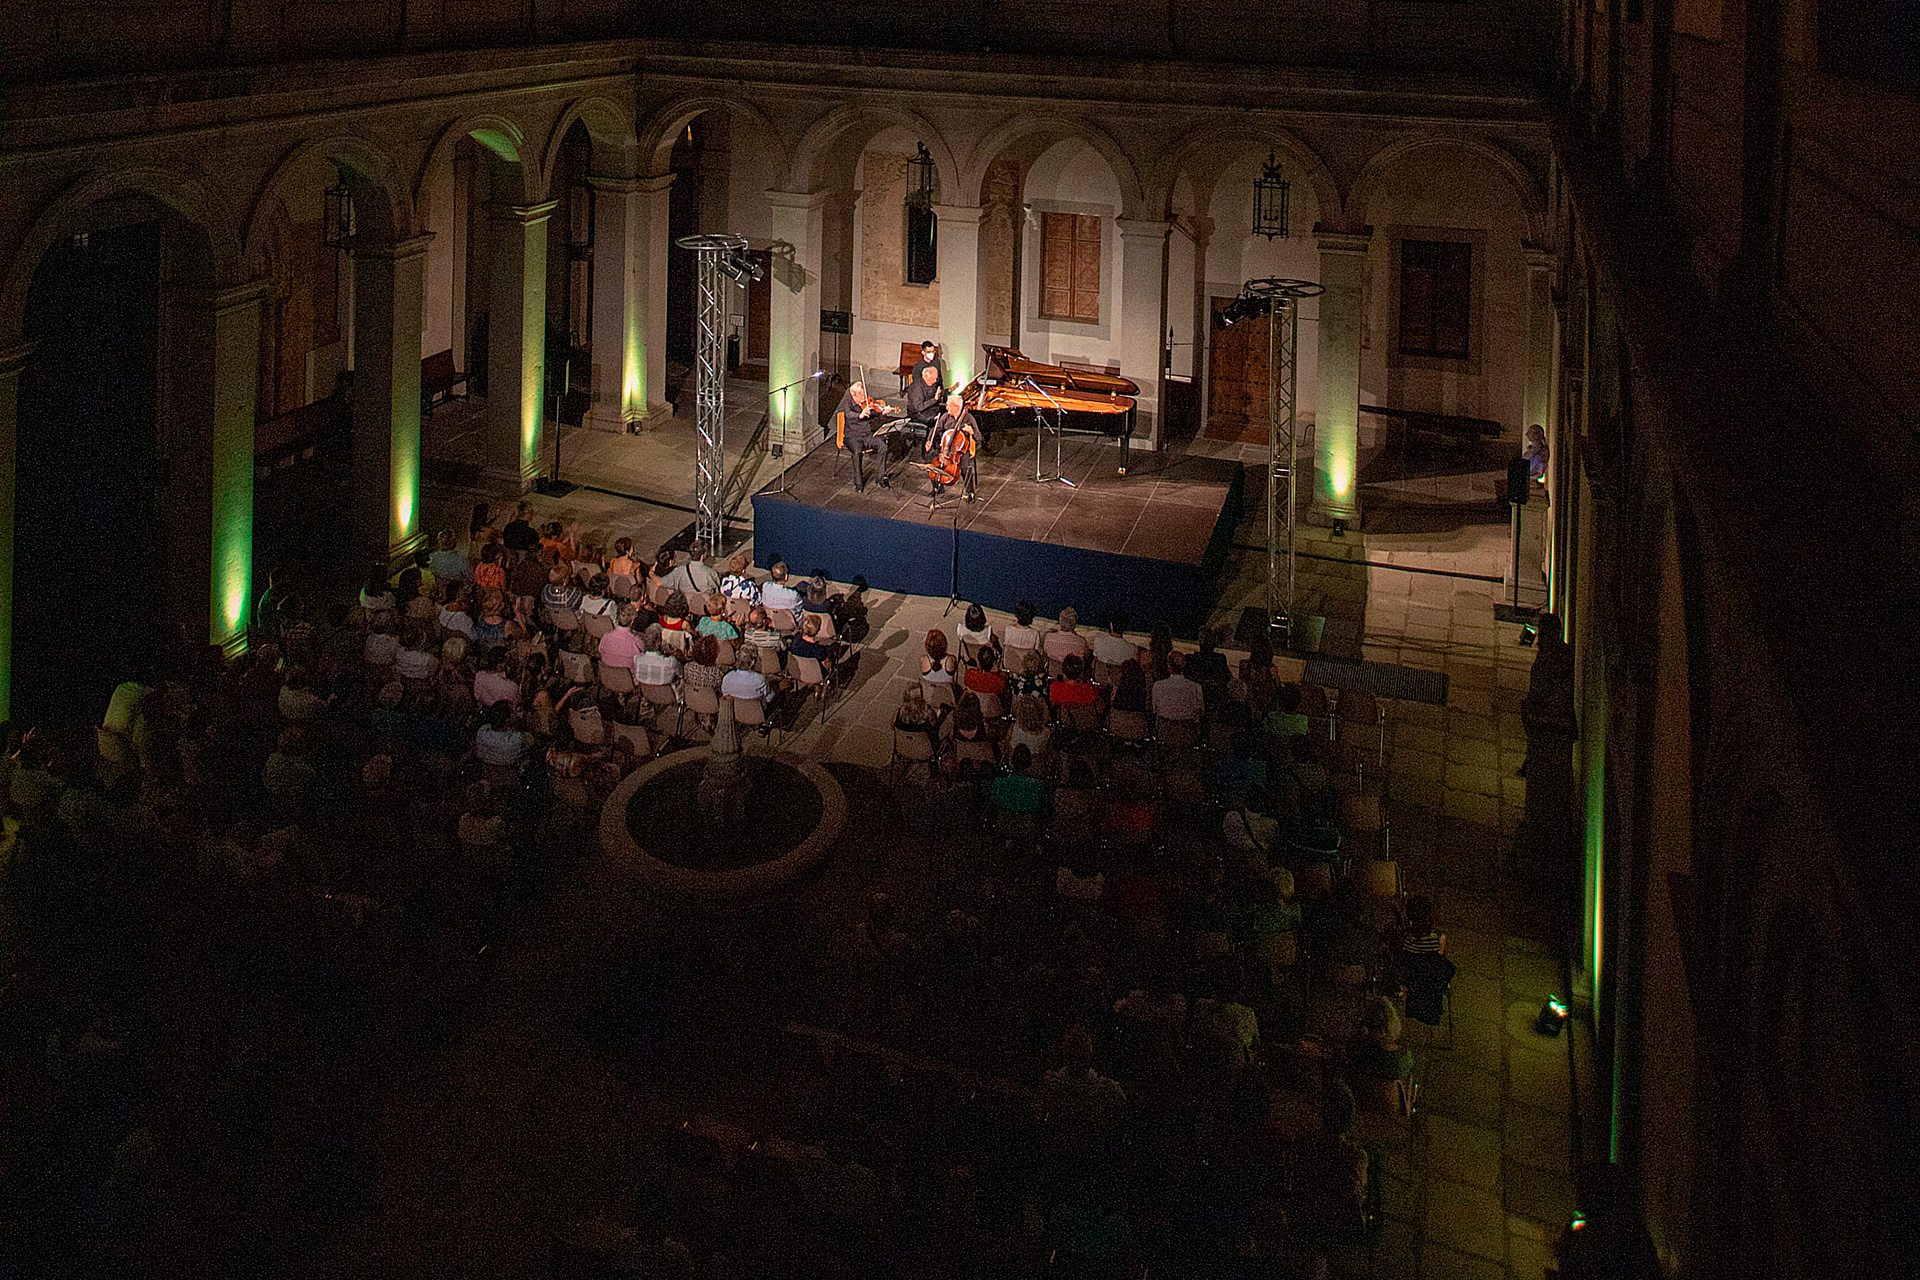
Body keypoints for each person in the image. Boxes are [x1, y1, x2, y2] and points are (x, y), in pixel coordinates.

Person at [833, 381, 895, 491]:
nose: (864, 397)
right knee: (857, 452)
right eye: (861, 395)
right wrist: (860, 415)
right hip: (852, 436)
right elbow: (848, 414)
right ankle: (859, 484)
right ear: (853, 395)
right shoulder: (847, 403)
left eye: (864, 394)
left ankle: (880, 478)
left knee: (882, 446)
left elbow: (874, 415)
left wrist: (882, 413)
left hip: (866, 435)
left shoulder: (866, 403)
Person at [931, 391, 981, 498]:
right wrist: (929, 441)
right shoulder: (945, 417)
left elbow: (979, 437)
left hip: (961, 450)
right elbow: (936, 430)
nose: (946, 408)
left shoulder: (968, 418)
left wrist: (971, 431)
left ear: (957, 407)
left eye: (949, 406)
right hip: (946, 448)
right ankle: (938, 487)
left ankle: (970, 492)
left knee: (964, 468)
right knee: (932, 462)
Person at [1149, 650, 1204, 724]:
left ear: (1168, 666)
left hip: (1166, 729)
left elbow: (1155, 709)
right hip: (1189, 729)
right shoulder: (1195, 687)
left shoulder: (1158, 686)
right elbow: (1201, 711)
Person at [905, 360, 945, 446]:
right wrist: (934, 399)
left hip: (927, 409)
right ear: (926, 376)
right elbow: (918, 407)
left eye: (936, 379)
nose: (935, 381)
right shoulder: (917, 387)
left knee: (943, 416)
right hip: (916, 413)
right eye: (933, 379)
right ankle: (930, 443)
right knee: (935, 421)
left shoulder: (930, 383)